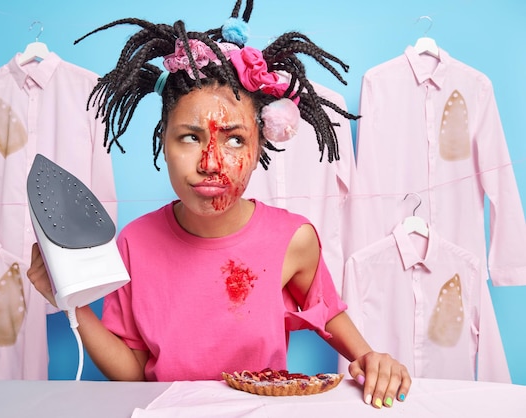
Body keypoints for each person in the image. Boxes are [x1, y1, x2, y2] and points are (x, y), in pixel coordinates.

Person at [28, 0, 411, 409]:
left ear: (261, 144)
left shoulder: (294, 239)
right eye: (190, 137)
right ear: (163, 142)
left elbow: (328, 314)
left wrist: (372, 358)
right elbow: (133, 372)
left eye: (234, 139)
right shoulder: (134, 244)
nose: (211, 164)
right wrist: (71, 303)